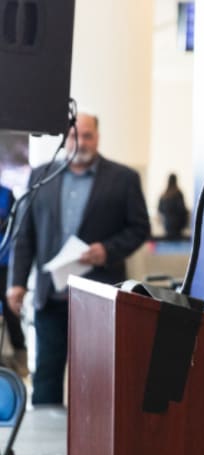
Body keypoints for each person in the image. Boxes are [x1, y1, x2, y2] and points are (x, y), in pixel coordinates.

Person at [7, 113, 150, 405]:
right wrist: (16, 283)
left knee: (98, 379)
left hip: (102, 299)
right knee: (46, 377)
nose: (80, 142)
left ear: (98, 137)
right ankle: (45, 446)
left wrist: (108, 250)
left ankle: (93, 446)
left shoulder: (123, 179)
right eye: (74, 136)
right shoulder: (41, 176)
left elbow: (139, 228)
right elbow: (26, 236)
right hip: (52, 296)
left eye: (87, 135)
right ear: (65, 138)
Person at [0, 185, 28, 377]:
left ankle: (20, 361)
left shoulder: (6, 194)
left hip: (4, 262)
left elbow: (15, 227)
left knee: (11, 312)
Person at [157, 172, 189, 240]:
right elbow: (182, 209)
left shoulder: (164, 194)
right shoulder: (178, 194)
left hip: (168, 225)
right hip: (178, 225)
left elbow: (160, 209)